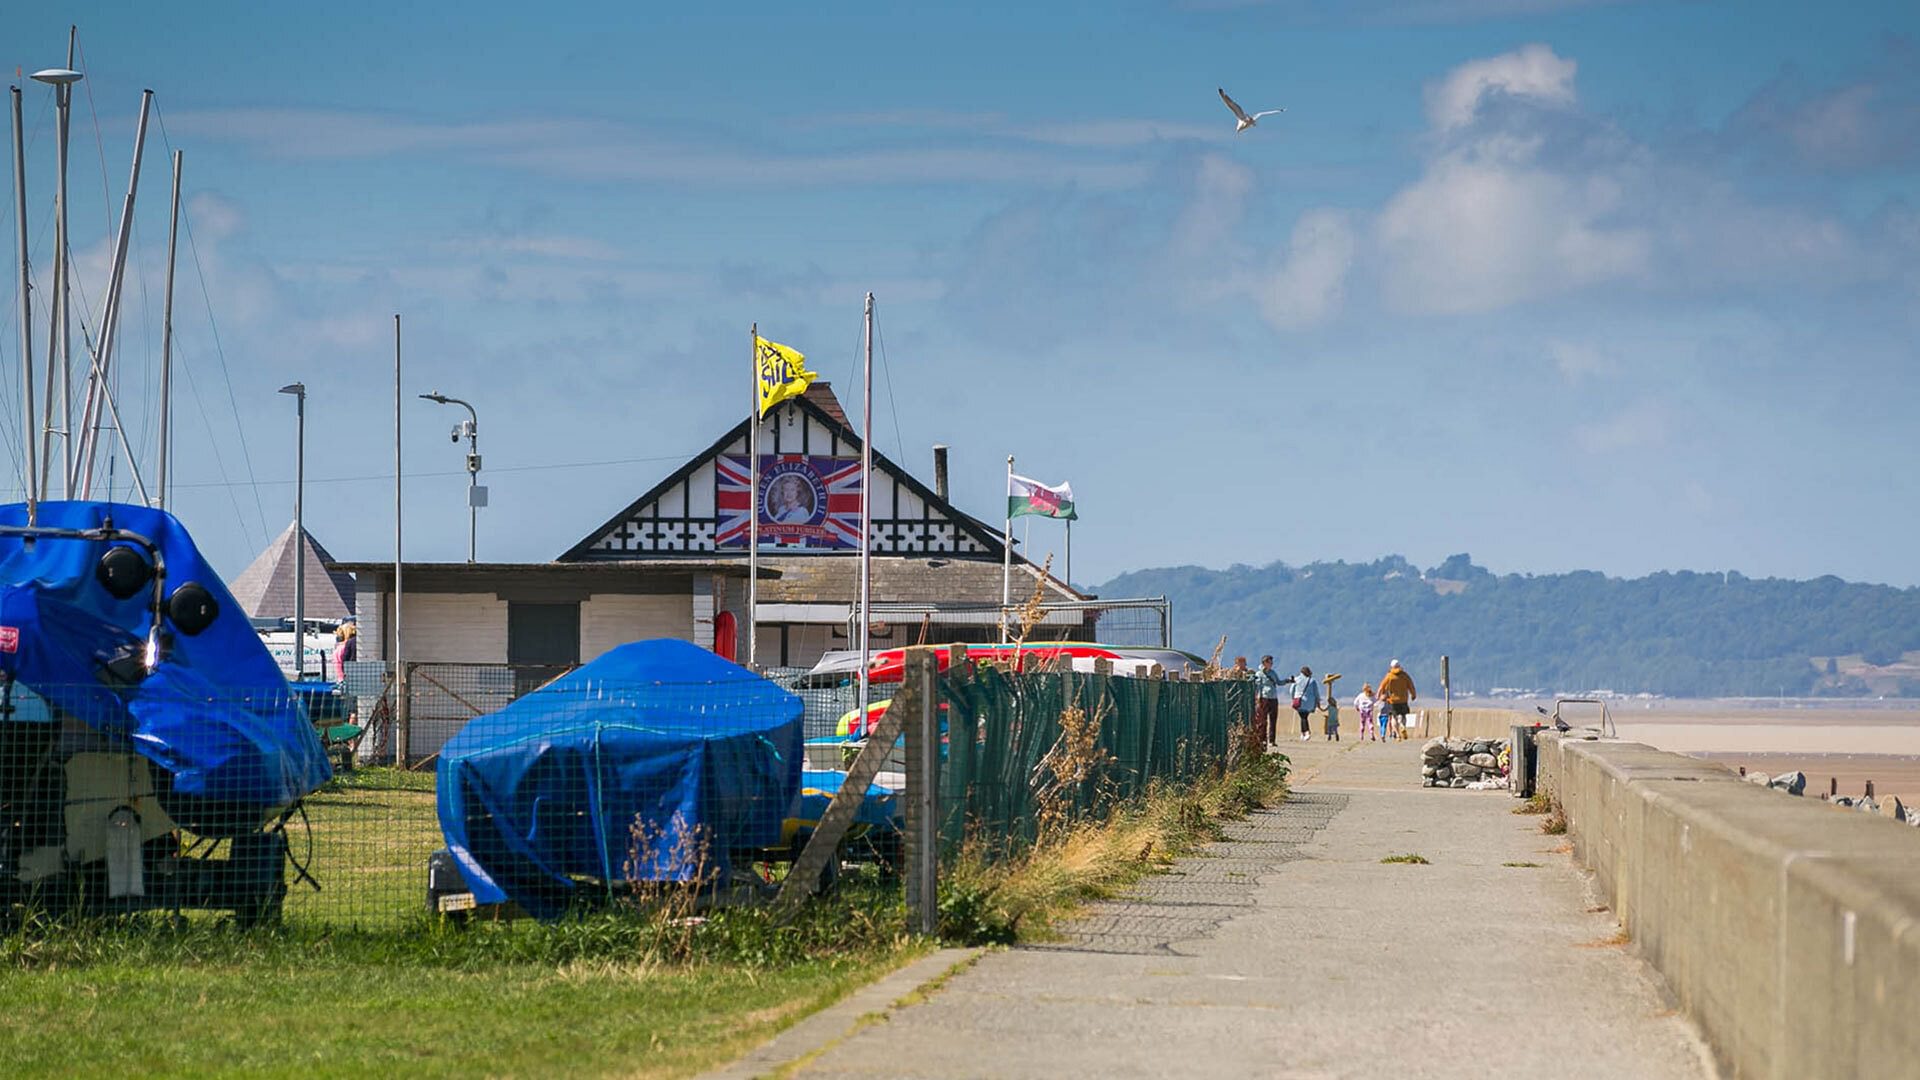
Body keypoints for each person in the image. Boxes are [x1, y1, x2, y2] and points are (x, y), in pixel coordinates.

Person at [1378, 659, 1416, 741]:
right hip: (1403, 700)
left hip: (1392, 700)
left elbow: (1382, 687)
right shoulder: (1405, 675)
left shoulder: (1389, 676)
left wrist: (1379, 696)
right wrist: (1413, 694)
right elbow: (1411, 685)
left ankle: (1398, 735)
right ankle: (1403, 725)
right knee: (1403, 716)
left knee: (1394, 718)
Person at [1254, 656, 1284, 746]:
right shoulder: (1259, 674)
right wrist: (1257, 698)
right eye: (1269, 662)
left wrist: (1287, 681)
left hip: (1273, 698)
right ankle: (1262, 739)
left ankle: (1272, 740)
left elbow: (1278, 682)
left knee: (1273, 720)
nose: (1271, 664)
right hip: (1264, 698)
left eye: (1272, 663)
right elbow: (1258, 686)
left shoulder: (1273, 673)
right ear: (1264, 663)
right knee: (1263, 720)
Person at [1293, 665, 1320, 741]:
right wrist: (1318, 701)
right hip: (1309, 702)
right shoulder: (1312, 681)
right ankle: (1303, 733)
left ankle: (1306, 732)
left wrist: (1294, 697)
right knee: (1304, 716)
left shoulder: (1296, 679)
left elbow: (1291, 690)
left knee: (1303, 717)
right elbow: (1316, 692)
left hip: (1299, 701)